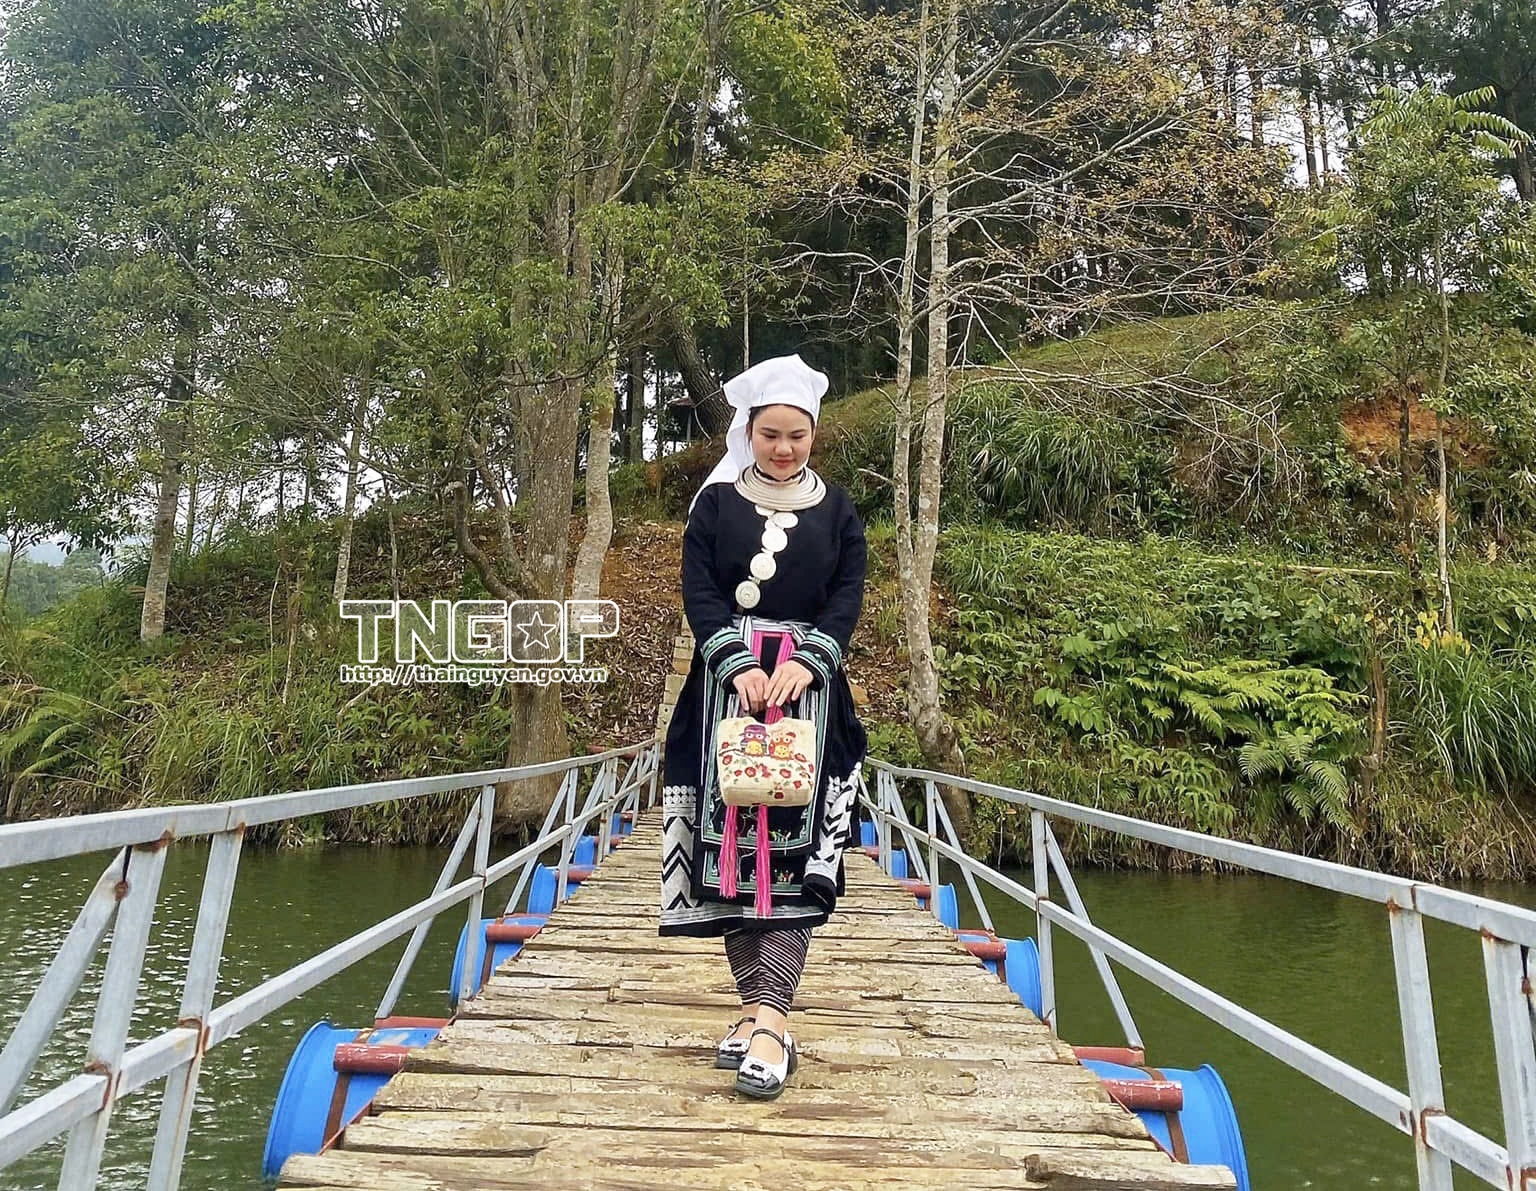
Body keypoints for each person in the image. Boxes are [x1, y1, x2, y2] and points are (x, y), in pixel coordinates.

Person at [658, 353, 868, 1101]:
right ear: (748, 431)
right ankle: (753, 1011)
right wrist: (732, 660)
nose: (783, 447)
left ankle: (775, 1022)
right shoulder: (715, 507)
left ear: (814, 434)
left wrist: (810, 661)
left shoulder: (838, 510)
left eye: (797, 436)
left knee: (793, 862)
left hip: (811, 701)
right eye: (770, 434)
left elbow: (847, 594)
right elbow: (699, 590)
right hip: (724, 698)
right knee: (730, 861)